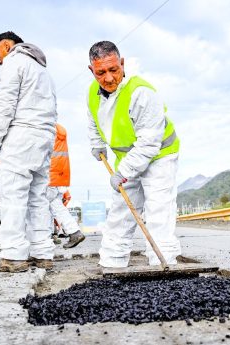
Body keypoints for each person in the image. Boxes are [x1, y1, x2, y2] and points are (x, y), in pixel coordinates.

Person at [86, 41, 181, 268]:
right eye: (101, 72)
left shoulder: (141, 92)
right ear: (92, 70)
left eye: (113, 70)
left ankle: (163, 265)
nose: (108, 78)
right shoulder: (93, 92)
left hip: (159, 155)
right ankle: (113, 262)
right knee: (121, 210)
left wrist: (123, 172)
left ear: (122, 63)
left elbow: (149, 144)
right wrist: (96, 143)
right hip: (127, 159)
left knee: (159, 209)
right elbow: (93, 119)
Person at [0, 31, 57, 272]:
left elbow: (4, 104)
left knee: (11, 197)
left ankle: (14, 256)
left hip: (21, 137)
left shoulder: (15, 61)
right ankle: (42, 253)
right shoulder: (42, 71)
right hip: (44, 138)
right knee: (37, 198)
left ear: (6, 45)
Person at [46, 123, 85, 249]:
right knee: (53, 204)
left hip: (48, 173)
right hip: (59, 173)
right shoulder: (59, 129)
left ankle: (72, 232)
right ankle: (68, 233)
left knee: (48, 204)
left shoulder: (45, 128)